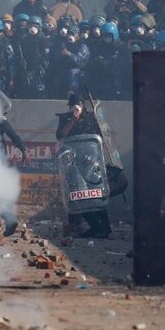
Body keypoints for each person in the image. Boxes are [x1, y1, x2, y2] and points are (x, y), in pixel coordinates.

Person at [55, 93, 111, 238]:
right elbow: (61, 136)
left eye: (78, 104)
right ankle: (84, 226)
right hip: (74, 165)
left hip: (92, 162)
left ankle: (104, 228)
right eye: (72, 104)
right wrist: (72, 121)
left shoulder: (92, 118)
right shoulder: (65, 118)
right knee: (78, 195)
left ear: (83, 105)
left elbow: (101, 137)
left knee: (97, 194)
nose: (75, 107)